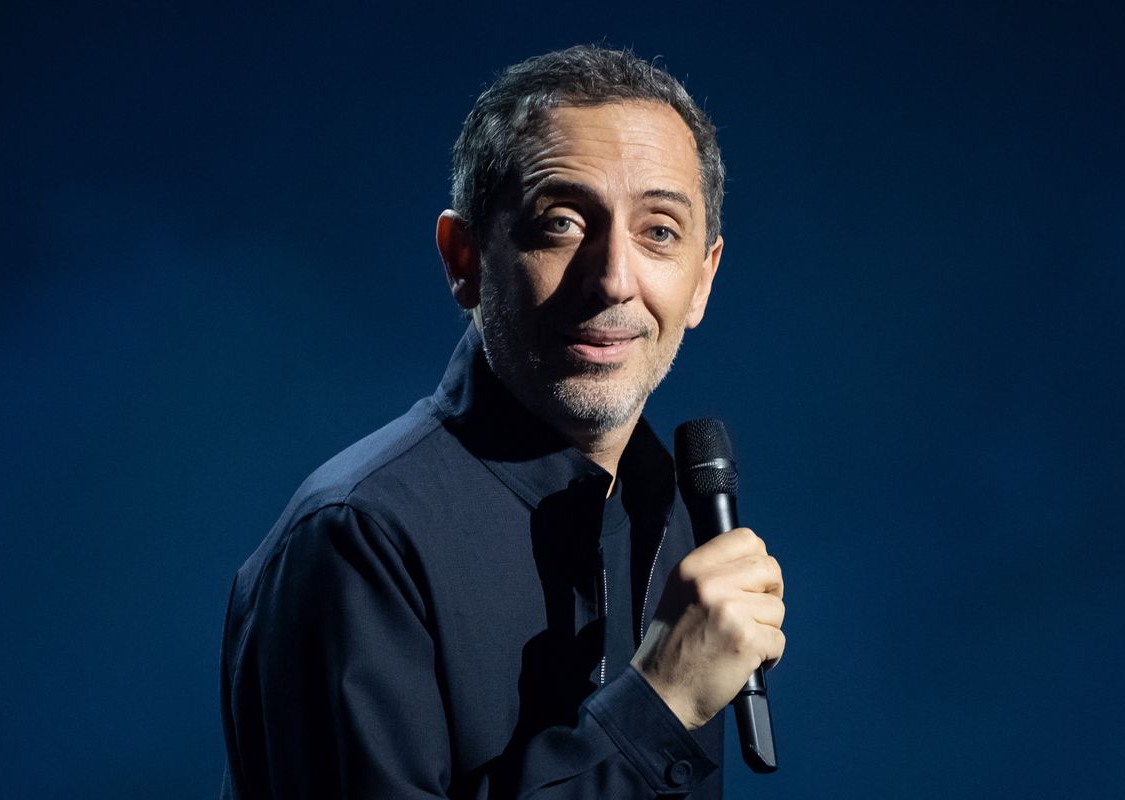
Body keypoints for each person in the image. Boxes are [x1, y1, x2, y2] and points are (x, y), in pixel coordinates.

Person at [219, 45, 786, 799]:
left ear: (703, 278)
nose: (614, 279)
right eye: (560, 223)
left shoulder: (676, 520)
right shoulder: (355, 538)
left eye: (658, 232)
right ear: (464, 260)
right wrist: (661, 704)